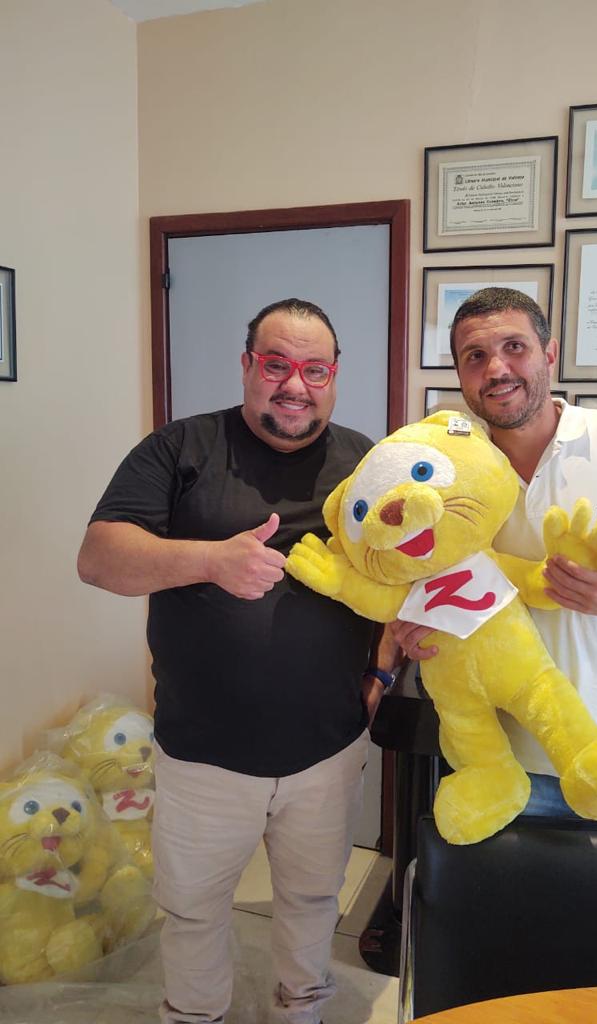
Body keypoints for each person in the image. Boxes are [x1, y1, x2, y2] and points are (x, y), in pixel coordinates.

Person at [78, 298, 396, 1024]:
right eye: (276, 364)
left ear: (335, 375)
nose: (295, 385)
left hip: (326, 749)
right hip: (202, 754)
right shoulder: (180, 448)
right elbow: (99, 558)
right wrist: (208, 561)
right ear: (248, 365)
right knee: (194, 912)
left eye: (314, 369)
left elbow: (401, 579)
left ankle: (300, 1009)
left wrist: (380, 672)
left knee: (313, 899)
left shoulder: (367, 464)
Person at [393, 287, 597, 834]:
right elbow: (426, 574)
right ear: (459, 373)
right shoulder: (446, 471)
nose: (496, 369)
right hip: (505, 766)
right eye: (475, 356)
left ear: (549, 353)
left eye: (514, 347)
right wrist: (416, 623)